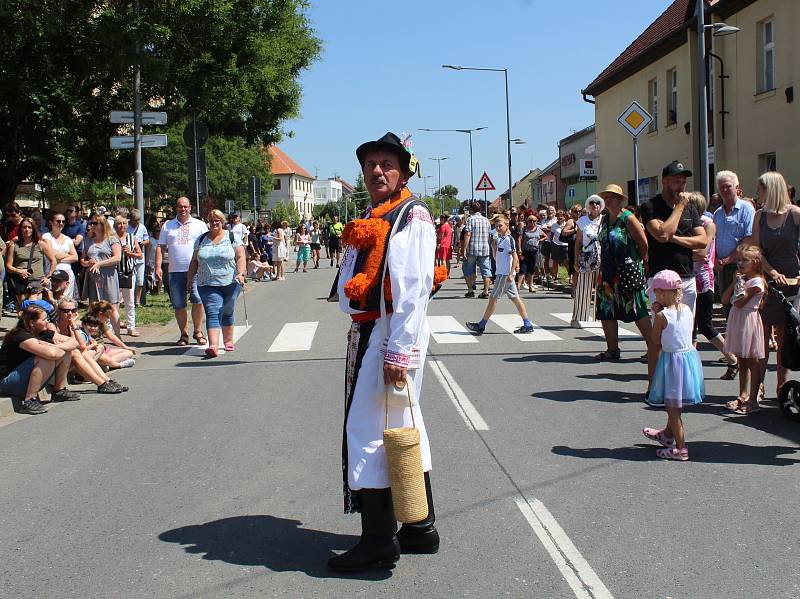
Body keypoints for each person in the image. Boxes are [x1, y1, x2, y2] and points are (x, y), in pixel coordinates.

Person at [328, 132, 439, 573]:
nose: (377, 170)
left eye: (386, 163)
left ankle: (377, 541)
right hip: (377, 330)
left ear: (404, 170)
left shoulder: (411, 216)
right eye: (371, 163)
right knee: (402, 423)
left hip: (389, 331)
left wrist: (399, 352)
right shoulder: (381, 214)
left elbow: (413, 291)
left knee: (369, 430)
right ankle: (418, 528)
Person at [744, 171, 800, 398]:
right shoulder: (759, 216)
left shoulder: (795, 214)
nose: (758, 193)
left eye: (760, 188)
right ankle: (758, 388)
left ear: (771, 189)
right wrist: (772, 272)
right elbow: (757, 251)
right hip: (769, 281)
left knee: (786, 336)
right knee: (763, 336)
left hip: (793, 282)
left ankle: (782, 387)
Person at [642, 269, 704, 462]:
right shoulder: (686, 309)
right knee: (675, 404)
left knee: (672, 408)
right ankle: (668, 434)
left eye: (657, 292)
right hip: (688, 361)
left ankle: (681, 448)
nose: (655, 295)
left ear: (663, 293)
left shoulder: (662, 316)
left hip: (672, 363)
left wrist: (657, 314)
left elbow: (655, 340)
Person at [595, 184, 652, 362]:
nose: (608, 200)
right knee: (606, 310)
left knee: (637, 310)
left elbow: (643, 245)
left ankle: (653, 349)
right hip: (607, 273)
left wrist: (639, 263)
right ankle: (612, 349)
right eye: (606, 197)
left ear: (620, 200)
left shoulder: (629, 218)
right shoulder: (605, 219)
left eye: (612, 197)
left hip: (627, 271)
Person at [186, 209, 246, 357]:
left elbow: (240, 257)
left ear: (222, 222)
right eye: (211, 220)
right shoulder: (201, 240)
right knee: (213, 311)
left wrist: (240, 273)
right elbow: (194, 261)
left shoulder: (232, 237)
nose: (214, 223)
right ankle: (213, 345)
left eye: (217, 220)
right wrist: (189, 280)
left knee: (227, 310)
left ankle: (228, 340)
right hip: (206, 283)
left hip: (231, 282)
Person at [688, 192, 737, 376]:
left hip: (703, 280)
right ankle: (690, 370)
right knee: (689, 326)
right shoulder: (688, 224)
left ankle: (732, 359)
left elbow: (702, 252)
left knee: (705, 324)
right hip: (688, 278)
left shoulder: (707, 224)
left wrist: (676, 251)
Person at [0, 306, 81, 414]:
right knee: (45, 358)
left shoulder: (42, 332)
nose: (47, 322)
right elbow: (51, 354)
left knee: (67, 352)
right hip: (7, 383)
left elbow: (74, 343)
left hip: (25, 380)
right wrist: (54, 348)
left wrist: (54, 346)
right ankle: (29, 401)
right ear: (32, 323)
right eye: (44, 319)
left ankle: (59, 391)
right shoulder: (20, 335)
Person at [465, 215, 534, 335]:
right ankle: (527, 324)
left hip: (505, 275)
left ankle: (481, 325)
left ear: (507, 225)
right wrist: (493, 245)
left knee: (493, 298)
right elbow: (497, 258)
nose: (498, 228)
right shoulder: (500, 239)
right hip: (501, 273)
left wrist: (511, 273)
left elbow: (515, 257)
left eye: (500, 225)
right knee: (515, 299)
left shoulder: (509, 239)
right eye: (496, 226)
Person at [155, 197, 208, 346]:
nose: (183, 209)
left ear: (190, 208)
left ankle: (198, 331)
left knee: (198, 300)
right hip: (175, 271)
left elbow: (207, 244)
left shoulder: (200, 225)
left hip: (196, 270)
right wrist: (158, 267)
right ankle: (183, 335)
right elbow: (160, 247)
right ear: (175, 208)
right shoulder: (168, 225)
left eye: (185, 206)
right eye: (180, 207)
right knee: (179, 304)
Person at [721, 244, 766, 415]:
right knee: (741, 360)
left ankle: (753, 400)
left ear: (755, 262)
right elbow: (725, 299)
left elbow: (739, 302)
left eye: (744, 260)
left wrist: (740, 284)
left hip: (748, 320)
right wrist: (734, 282)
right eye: (738, 260)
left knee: (751, 361)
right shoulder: (742, 280)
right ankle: (742, 394)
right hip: (737, 320)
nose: (740, 263)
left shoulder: (756, 282)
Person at [55, 299, 128, 394]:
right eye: (65, 310)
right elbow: (80, 345)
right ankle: (101, 383)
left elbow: (81, 345)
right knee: (79, 352)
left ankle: (107, 380)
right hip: (59, 363)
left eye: (73, 310)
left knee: (85, 351)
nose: (70, 313)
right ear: (58, 311)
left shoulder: (71, 325)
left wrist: (73, 324)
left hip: (73, 358)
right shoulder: (54, 326)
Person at [712, 170, 754, 312]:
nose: (724, 190)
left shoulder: (746, 209)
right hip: (722, 268)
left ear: (737, 188)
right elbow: (713, 239)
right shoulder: (717, 213)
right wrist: (716, 259)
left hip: (740, 266)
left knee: (741, 305)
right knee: (726, 306)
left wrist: (728, 259)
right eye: (721, 187)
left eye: (728, 186)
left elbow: (748, 238)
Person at [81, 215, 122, 334]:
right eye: (91, 223)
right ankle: (94, 335)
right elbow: (82, 260)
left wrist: (100, 263)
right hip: (93, 277)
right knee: (94, 307)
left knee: (111, 307)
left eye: (94, 223)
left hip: (108, 276)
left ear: (102, 224)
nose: (91, 226)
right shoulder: (88, 240)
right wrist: (88, 262)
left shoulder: (112, 239)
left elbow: (117, 258)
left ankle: (117, 335)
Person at [5, 217, 57, 309]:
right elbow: (8, 266)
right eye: (24, 227)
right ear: (20, 229)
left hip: (37, 282)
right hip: (20, 283)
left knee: (35, 310)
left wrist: (48, 276)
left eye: (29, 227)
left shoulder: (40, 244)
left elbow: (53, 260)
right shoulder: (14, 246)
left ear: (33, 229)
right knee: (23, 312)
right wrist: (19, 271)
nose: (26, 230)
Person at [571, 196, 603, 327]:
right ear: (588, 206)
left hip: (602, 256)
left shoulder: (605, 220)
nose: (595, 205)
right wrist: (576, 260)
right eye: (592, 203)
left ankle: (602, 316)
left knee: (602, 287)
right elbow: (578, 242)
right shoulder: (582, 221)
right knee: (584, 286)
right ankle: (577, 317)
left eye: (598, 203)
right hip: (587, 256)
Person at [114, 215, 143, 337]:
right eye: (120, 223)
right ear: (115, 225)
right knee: (113, 302)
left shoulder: (132, 238)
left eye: (124, 223)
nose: (122, 226)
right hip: (114, 273)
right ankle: (112, 327)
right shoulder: (111, 239)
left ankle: (131, 327)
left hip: (129, 273)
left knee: (130, 301)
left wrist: (130, 253)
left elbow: (140, 254)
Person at [86, 301, 136, 369]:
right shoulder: (87, 323)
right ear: (100, 314)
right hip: (95, 350)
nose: (108, 319)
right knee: (106, 359)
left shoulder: (101, 322)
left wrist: (125, 347)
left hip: (104, 350)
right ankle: (116, 364)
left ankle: (108, 364)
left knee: (129, 352)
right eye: (107, 316)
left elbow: (111, 336)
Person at [41, 211, 78, 300]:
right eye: (58, 221)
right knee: (51, 299)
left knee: (65, 300)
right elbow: (52, 254)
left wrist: (58, 258)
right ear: (51, 222)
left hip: (67, 274)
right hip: (52, 272)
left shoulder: (67, 239)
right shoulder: (46, 237)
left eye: (63, 221)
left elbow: (75, 257)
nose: (61, 223)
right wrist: (67, 255)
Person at [461, 201, 492, 299]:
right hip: (484, 249)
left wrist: (464, 248)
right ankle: (486, 291)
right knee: (486, 270)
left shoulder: (470, 219)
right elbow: (489, 235)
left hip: (472, 249)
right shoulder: (486, 220)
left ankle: (470, 290)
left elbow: (467, 234)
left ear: (471, 210)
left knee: (467, 269)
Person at [127, 208, 149, 307]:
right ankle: (129, 300)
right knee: (130, 281)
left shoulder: (142, 227)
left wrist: (141, 243)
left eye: (138, 220)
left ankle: (137, 301)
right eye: (135, 220)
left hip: (140, 257)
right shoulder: (126, 226)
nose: (136, 222)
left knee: (140, 281)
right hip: (128, 258)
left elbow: (147, 240)